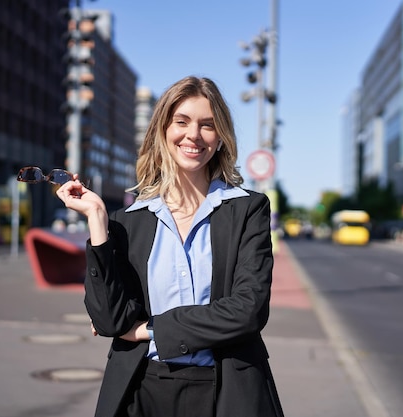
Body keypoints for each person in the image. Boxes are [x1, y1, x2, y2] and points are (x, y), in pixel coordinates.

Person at [55, 76, 284, 417]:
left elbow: (247, 310)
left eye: (207, 125)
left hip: (226, 391)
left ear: (220, 137)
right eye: (182, 122)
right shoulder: (127, 221)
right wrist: (97, 219)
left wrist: (150, 330)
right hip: (140, 390)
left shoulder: (248, 209)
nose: (193, 135)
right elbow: (109, 320)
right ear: (163, 130)